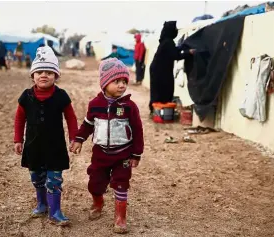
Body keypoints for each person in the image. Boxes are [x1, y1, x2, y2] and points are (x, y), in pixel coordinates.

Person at [71, 58, 144, 234]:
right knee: (95, 183)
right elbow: (88, 124)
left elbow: (138, 130)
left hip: (123, 154)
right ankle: (98, 203)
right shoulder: (95, 105)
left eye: (124, 81)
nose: (122, 85)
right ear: (104, 83)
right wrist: (79, 139)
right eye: (117, 81)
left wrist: (136, 154)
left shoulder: (129, 106)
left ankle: (120, 217)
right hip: (100, 154)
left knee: (121, 183)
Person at [13, 46, 78, 226]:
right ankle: (42, 204)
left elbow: (71, 118)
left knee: (54, 180)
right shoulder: (26, 97)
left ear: (56, 76)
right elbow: (19, 119)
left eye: (49, 72)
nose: (44, 75)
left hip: (55, 147)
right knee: (37, 178)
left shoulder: (61, 96)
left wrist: (75, 138)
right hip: (33, 147)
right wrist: (18, 140)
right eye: (39, 71)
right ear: (32, 75)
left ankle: (55, 211)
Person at [149, 21, 195, 116]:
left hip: (160, 70)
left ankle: (158, 111)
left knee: (160, 89)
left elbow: (173, 50)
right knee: (163, 89)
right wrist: (189, 53)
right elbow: (176, 55)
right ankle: (159, 112)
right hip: (160, 71)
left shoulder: (166, 41)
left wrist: (182, 47)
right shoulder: (168, 42)